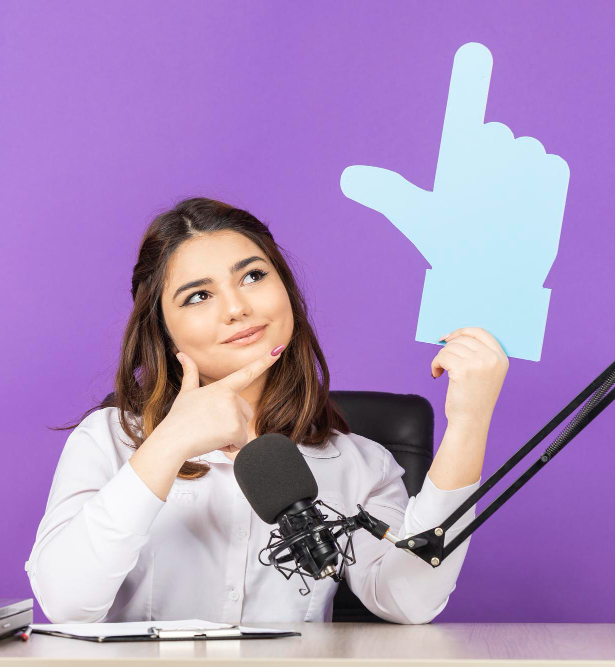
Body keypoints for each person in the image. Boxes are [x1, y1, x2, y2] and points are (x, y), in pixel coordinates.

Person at [25, 197, 508, 624]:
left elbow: (410, 601)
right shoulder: (108, 440)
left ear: (286, 292)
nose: (236, 307)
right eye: (198, 295)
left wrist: (469, 422)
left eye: (253, 276)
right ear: (163, 328)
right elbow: (67, 602)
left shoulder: (357, 463)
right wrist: (170, 442)